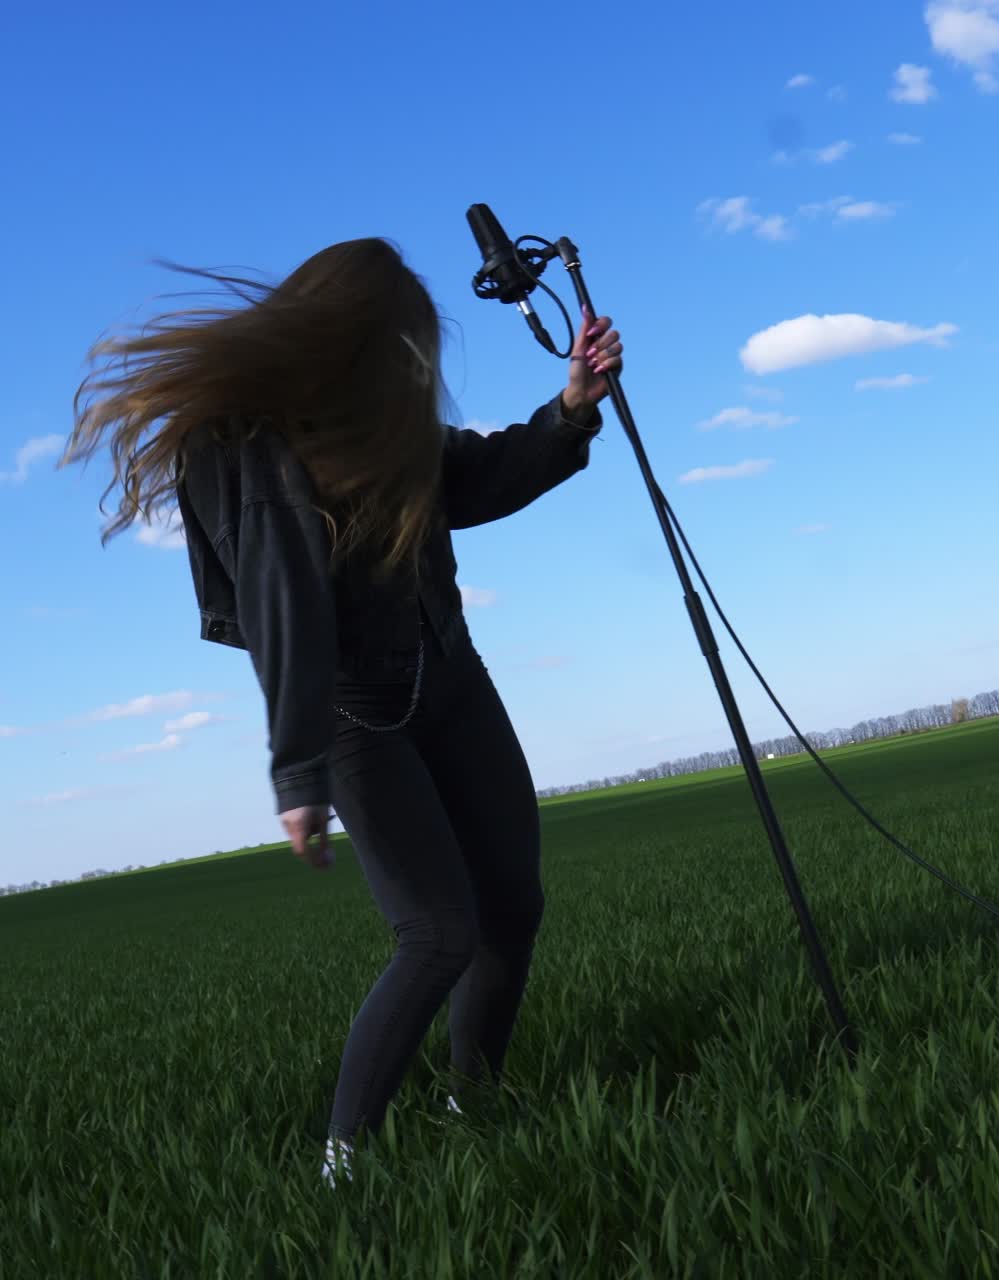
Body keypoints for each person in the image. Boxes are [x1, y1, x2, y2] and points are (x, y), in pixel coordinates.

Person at [58, 237, 624, 1188]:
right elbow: (283, 601)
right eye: (396, 339)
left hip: (452, 677)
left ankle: (471, 1101)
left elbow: (473, 480)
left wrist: (569, 413)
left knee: (512, 909)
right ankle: (343, 1164)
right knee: (438, 931)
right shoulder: (245, 441)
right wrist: (299, 765)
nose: (410, 360)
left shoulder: (388, 421)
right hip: (355, 717)